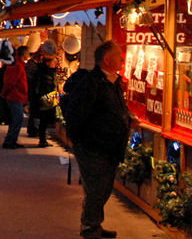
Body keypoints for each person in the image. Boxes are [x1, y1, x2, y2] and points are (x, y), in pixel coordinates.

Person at [64, 40, 131, 239]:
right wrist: (81, 140)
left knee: (104, 188)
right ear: (107, 60)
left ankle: (94, 224)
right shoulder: (92, 83)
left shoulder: (113, 83)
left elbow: (114, 108)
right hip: (92, 146)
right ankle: (90, 228)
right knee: (97, 188)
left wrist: (126, 118)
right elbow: (77, 113)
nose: (122, 58)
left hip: (109, 147)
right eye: (118, 55)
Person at [1, 45, 29, 149]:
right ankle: (10, 141)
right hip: (15, 96)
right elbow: (10, 82)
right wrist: (5, 93)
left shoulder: (19, 65)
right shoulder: (17, 66)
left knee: (17, 119)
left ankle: (12, 140)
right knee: (17, 119)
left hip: (17, 96)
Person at [32, 40, 58, 147]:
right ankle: (42, 140)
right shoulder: (46, 73)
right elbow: (47, 85)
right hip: (46, 96)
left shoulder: (42, 70)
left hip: (46, 96)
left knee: (44, 119)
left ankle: (43, 139)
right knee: (44, 119)